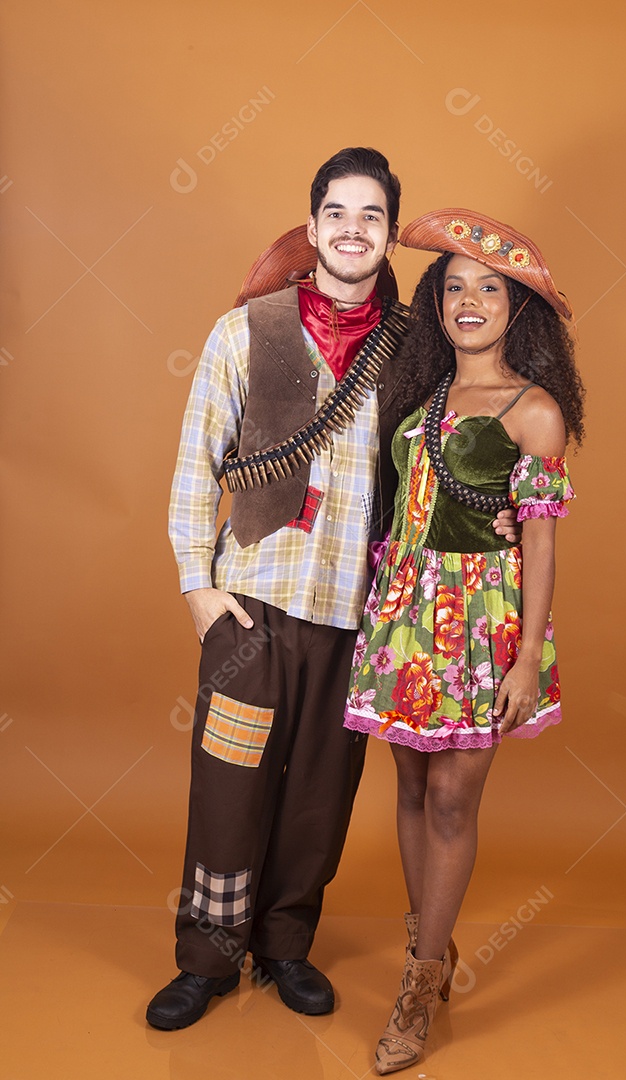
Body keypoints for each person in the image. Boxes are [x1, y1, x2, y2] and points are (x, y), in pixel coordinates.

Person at [146, 156, 521, 1031]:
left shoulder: (414, 345)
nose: (354, 229)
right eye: (337, 213)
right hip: (253, 608)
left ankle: (283, 945)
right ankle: (207, 957)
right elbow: (196, 460)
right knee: (227, 784)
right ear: (311, 230)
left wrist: (499, 517)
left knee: (322, 791)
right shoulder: (244, 331)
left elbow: (458, 447)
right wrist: (196, 587)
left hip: (360, 614)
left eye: (373, 216)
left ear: (390, 235)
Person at [343, 208, 586, 1075]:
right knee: (410, 787)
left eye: (491, 288)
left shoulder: (536, 411)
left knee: (453, 799)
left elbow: (543, 544)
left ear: (518, 309)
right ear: (435, 303)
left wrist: (525, 660)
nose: (471, 300)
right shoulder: (419, 396)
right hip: (404, 614)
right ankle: (432, 944)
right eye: (455, 288)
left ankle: (416, 984)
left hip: (482, 625)